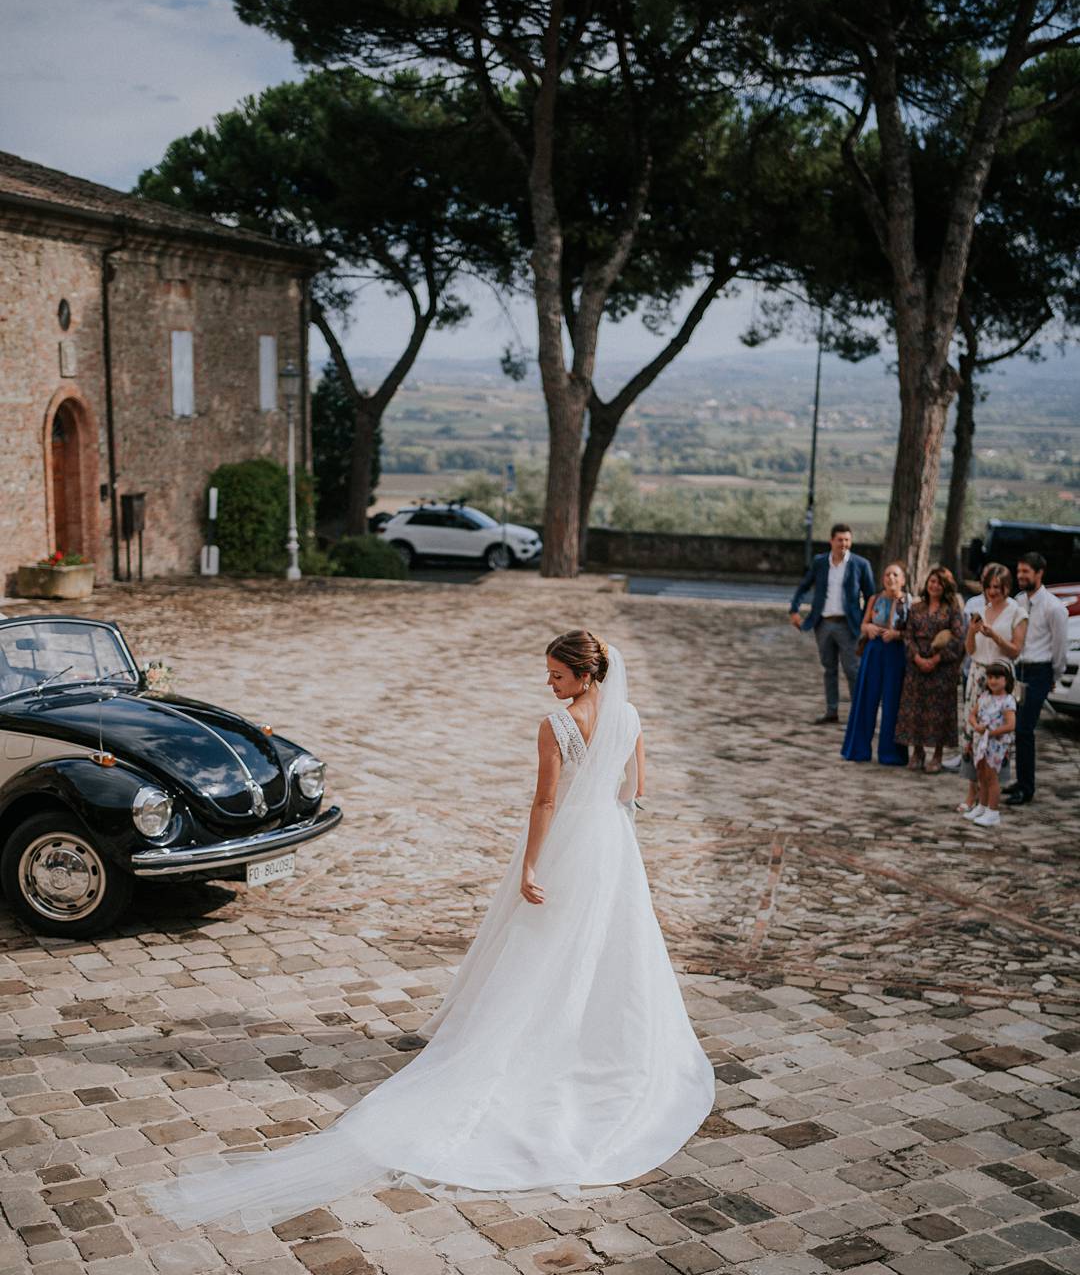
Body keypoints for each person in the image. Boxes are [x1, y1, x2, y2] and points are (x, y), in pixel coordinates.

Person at [143, 631, 716, 1232]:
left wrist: (530, 864)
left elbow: (545, 802)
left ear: (582, 675)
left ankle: (530, 1039)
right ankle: (598, 1040)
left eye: (555, 674)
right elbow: (636, 790)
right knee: (611, 947)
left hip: (569, 842)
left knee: (541, 945)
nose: (548, 683)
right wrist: (608, 815)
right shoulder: (627, 714)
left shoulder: (558, 726)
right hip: (610, 843)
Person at [957, 563, 1027, 814]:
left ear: (1007, 587)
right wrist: (972, 632)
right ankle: (971, 791)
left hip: (1000, 674)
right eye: (988, 587)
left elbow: (1016, 649)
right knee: (972, 731)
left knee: (994, 732)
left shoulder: (1017, 612)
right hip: (978, 674)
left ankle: (990, 793)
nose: (992, 592)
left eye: (997, 587)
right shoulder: (981, 609)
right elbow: (970, 649)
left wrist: (994, 636)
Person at [789, 525, 877, 724]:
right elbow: (804, 586)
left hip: (848, 625)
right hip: (823, 623)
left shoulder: (860, 564)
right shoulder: (820, 563)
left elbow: (871, 596)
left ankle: (858, 712)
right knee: (829, 669)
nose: (844, 544)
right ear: (831, 541)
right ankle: (832, 711)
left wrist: (865, 621)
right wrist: (794, 610)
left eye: (847, 540)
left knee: (852, 670)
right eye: (840, 540)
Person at [1006, 552, 1069, 807]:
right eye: (1019, 571)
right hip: (1019, 671)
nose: (1020, 576)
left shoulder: (1055, 607)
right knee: (1018, 730)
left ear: (1039, 573)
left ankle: (1027, 788)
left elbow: (1060, 649)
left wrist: (1052, 677)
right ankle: (1020, 781)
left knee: (1024, 729)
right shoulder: (1018, 601)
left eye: (1025, 572)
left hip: (1041, 671)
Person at [894, 567, 965, 773]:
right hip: (917, 664)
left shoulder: (952, 609)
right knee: (916, 708)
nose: (935, 586)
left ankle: (937, 755)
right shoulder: (917, 608)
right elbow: (908, 635)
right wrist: (916, 656)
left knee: (939, 711)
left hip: (942, 668)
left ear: (946, 587)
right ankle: (917, 751)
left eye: (939, 583)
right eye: (932, 581)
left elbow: (958, 638)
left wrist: (937, 659)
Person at [841, 560, 911, 765]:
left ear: (903, 580)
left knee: (893, 702)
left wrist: (898, 634)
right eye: (888, 574)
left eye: (895, 575)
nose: (891, 578)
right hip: (874, 650)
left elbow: (914, 632)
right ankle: (858, 748)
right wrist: (868, 628)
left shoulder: (909, 602)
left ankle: (891, 753)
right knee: (866, 698)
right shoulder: (874, 599)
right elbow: (863, 624)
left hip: (896, 653)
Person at [964, 661, 1017, 829]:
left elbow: (1011, 725)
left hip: (996, 744)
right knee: (981, 774)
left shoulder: (1007, 701)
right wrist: (976, 726)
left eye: (997, 677)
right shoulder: (984, 697)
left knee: (992, 777)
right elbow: (972, 715)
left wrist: (991, 732)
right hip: (981, 742)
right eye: (990, 677)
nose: (993, 681)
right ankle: (982, 806)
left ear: (1006, 680)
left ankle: (993, 812)